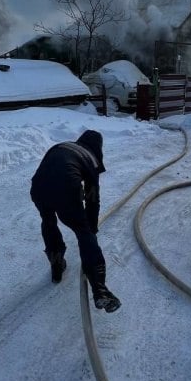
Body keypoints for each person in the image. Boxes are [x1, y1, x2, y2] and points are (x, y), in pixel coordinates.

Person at [30, 130, 121, 313]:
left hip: (38, 188)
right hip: (66, 190)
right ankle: (100, 290)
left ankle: (56, 265)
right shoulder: (90, 158)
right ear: (98, 148)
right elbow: (92, 198)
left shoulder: (63, 145)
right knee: (83, 231)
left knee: (48, 222)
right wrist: (91, 229)